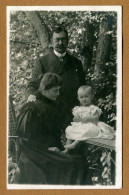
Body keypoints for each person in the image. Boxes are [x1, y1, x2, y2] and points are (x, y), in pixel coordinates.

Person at [14, 73, 91, 185]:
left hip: (54, 148)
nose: (58, 93)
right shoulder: (32, 108)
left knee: (80, 162)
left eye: (59, 90)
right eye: (55, 91)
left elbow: (67, 126)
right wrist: (48, 148)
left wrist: (68, 144)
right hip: (35, 152)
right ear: (44, 90)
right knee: (77, 165)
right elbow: (24, 139)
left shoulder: (57, 105)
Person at [26, 25, 85, 112]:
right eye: (57, 40)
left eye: (63, 39)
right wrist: (31, 96)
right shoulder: (42, 62)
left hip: (72, 111)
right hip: (50, 112)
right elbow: (32, 86)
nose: (60, 43)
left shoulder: (76, 62)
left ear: (68, 41)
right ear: (51, 41)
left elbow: (83, 87)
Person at [63, 85, 115, 153]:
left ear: (91, 97)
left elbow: (96, 118)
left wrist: (88, 118)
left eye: (86, 96)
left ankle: (74, 144)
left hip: (91, 126)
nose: (84, 99)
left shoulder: (93, 108)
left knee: (86, 130)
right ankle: (66, 150)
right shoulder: (77, 109)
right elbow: (74, 119)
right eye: (81, 97)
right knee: (69, 129)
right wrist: (76, 118)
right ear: (78, 98)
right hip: (81, 126)